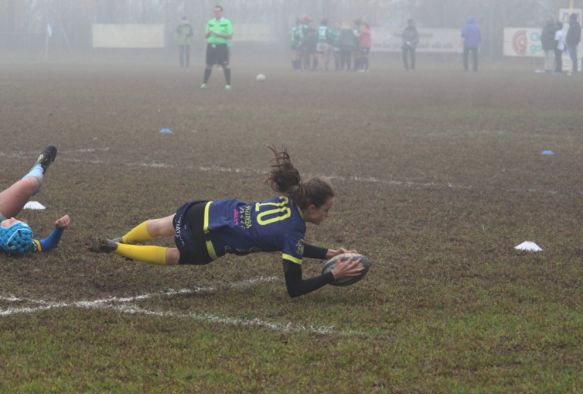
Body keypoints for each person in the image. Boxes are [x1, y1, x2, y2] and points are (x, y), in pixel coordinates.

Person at [88, 147, 364, 298]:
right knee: (175, 256)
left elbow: (291, 242)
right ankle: (118, 248)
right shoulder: (294, 232)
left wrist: (328, 253)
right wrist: (332, 276)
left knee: (162, 225)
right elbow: (294, 289)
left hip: (210, 209)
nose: (328, 216)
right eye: (326, 210)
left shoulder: (290, 197)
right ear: (312, 207)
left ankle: (123, 239)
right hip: (210, 240)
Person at [0, 146, 70, 256]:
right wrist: (59, 229)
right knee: (30, 183)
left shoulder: (11, 242)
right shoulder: (15, 242)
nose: (12, 218)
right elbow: (47, 244)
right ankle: (40, 165)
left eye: (10, 222)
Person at [201, 5, 233, 90]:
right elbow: (206, 35)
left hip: (222, 46)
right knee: (208, 65)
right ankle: (204, 83)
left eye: (218, 11)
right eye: (215, 11)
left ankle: (228, 84)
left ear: (222, 12)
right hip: (211, 45)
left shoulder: (227, 22)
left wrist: (218, 34)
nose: (216, 13)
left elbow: (230, 36)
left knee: (225, 65)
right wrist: (209, 33)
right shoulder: (210, 22)